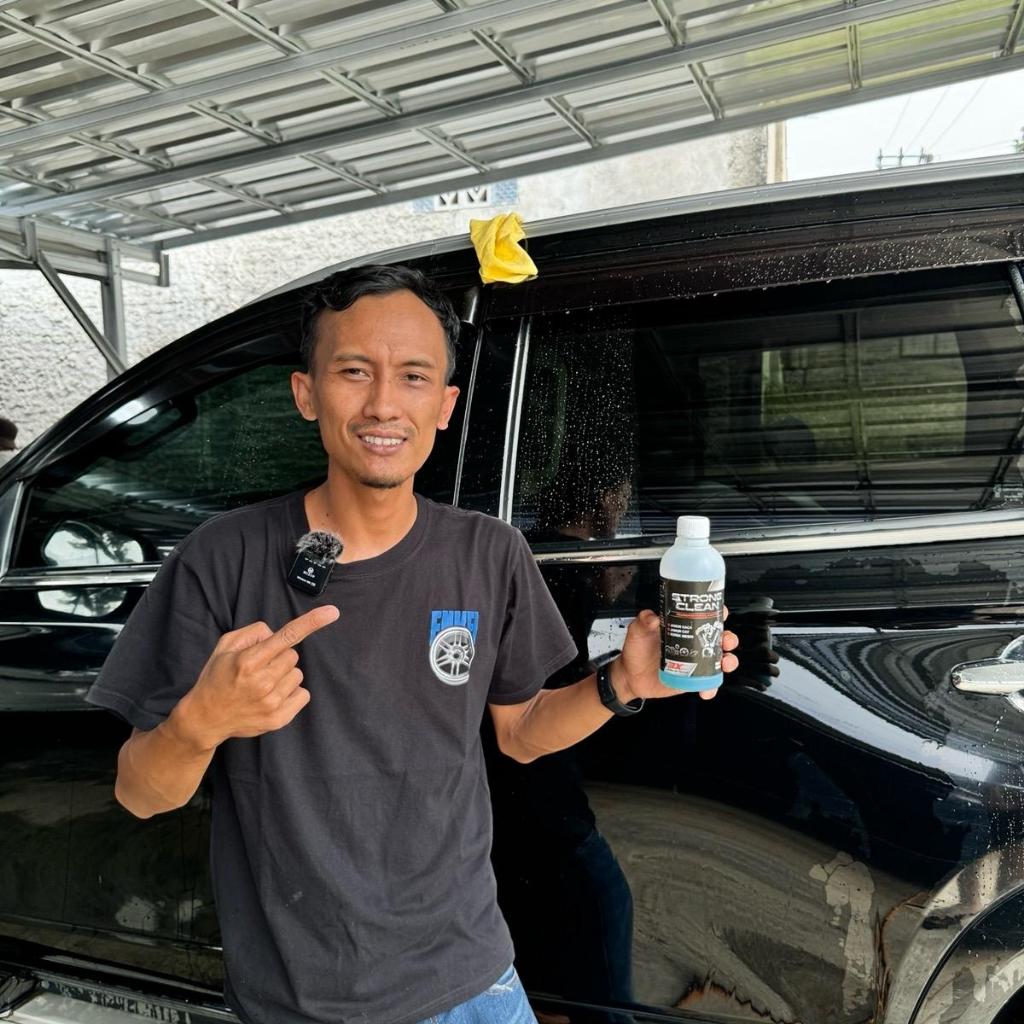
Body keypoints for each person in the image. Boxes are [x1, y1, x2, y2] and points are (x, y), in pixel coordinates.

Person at [86, 265, 740, 1024]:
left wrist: (620, 683)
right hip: (301, 1003)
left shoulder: (488, 553)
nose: (383, 404)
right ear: (306, 392)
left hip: (471, 982)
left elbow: (522, 734)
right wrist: (201, 722)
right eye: (353, 371)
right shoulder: (222, 558)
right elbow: (140, 792)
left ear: (445, 406)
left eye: (413, 376)